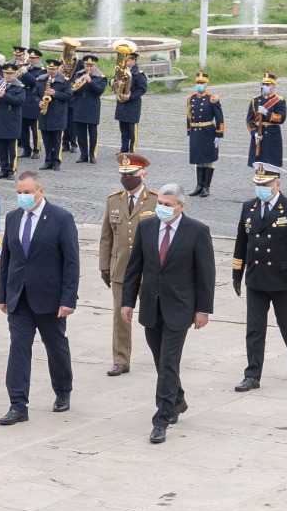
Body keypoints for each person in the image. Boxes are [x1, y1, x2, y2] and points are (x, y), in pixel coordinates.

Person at [121, 183, 215, 444]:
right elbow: (134, 267)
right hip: (151, 306)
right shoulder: (146, 227)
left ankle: (162, 418)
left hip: (180, 308)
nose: (162, 208)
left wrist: (203, 309)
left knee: (169, 362)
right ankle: (178, 399)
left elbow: (206, 274)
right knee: (160, 360)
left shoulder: (196, 231)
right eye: (160, 203)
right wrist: (127, 302)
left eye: (168, 205)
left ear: (181, 206)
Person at [0, 169, 80, 424]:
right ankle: (18, 404)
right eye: (19, 193)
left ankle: (63, 391)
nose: (23, 197)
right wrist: (2, 295)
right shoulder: (12, 218)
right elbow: (7, 259)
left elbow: (71, 262)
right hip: (19, 298)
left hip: (50, 299)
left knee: (56, 347)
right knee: (19, 350)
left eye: (27, 192)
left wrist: (68, 299)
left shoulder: (61, 218)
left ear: (41, 191)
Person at [232, 163, 287, 389]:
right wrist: (237, 274)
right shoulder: (248, 207)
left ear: (277, 184)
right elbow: (241, 242)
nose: (261, 188)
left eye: (266, 184)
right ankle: (252, 375)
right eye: (258, 184)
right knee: (254, 329)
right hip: (256, 278)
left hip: (282, 280)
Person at [98, 153, 157, 377]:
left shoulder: (156, 200)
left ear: (143, 175)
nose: (127, 179)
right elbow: (106, 236)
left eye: (131, 175)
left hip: (149, 271)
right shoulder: (114, 199)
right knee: (120, 316)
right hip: (121, 269)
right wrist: (104, 265)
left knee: (154, 316)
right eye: (123, 175)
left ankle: (161, 353)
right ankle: (121, 360)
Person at [186, 71, 225, 197]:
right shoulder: (191, 98)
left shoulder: (212, 99)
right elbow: (189, 115)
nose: (200, 85)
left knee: (208, 159)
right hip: (195, 131)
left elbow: (219, 117)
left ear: (207, 84)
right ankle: (199, 185)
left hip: (208, 131)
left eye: (202, 83)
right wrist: (189, 130)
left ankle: (206, 186)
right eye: (198, 82)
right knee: (198, 159)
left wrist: (219, 134)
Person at [69, 54, 108, 164]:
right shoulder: (78, 75)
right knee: (80, 134)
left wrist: (90, 81)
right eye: (87, 65)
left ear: (94, 66)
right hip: (79, 105)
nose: (89, 68)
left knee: (93, 133)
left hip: (92, 107)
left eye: (91, 66)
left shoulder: (100, 77)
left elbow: (99, 91)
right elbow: (72, 90)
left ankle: (92, 155)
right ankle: (83, 155)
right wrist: (76, 84)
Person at [37, 57, 73, 170]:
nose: (51, 71)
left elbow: (69, 96)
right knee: (46, 140)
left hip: (58, 114)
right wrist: (39, 102)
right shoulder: (41, 79)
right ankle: (48, 161)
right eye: (49, 69)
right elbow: (34, 94)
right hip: (45, 114)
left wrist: (55, 93)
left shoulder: (65, 81)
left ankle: (57, 162)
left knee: (57, 140)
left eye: (53, 69)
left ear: (58, 69)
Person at [0, 63, 26, 178]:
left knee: (12, 149)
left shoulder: (19, 86)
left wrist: (5, 95)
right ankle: (3, 169)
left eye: (11, 73)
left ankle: (12, 170)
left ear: (15, 74)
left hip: (12, 120)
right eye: (6, 73)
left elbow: (19, 101)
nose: (8, 76)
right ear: (3, 73)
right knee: (1, 148)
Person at [113, 44, 148, 155]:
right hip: (121, 104)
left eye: (127, 60)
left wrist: (130, 96)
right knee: (123, 129)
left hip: (132, 105)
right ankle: (124, 149)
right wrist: (112, 82)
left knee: (132, 130)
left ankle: (132, 150)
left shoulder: (139, 73)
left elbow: (142, 89)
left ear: (133, 60)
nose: (125, 62)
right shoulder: (121, 70)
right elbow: (115, 79)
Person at [246, 71, 285, 168]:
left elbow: (281, 118)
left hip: (272, 136)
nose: (265, 86)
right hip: (258, 136)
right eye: (263, 84)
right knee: (258, 166)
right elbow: (249, 120)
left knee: (272, 166)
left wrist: (267, 113)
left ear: (273, 86)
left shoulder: (279, 101)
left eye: (267, 84)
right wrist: (254, 132)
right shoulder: (255, 100)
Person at [19, 49, 45, 159]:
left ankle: (36, 149)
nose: (31, 60)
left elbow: (37, 83)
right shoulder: (26, 67)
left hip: (34, 101)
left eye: (34, 58)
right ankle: (26, 149)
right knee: (23, 128)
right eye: (30, 57)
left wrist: (26, 73)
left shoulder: (42, 70)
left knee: (35, 128)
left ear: (38, 58)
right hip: (24, 99)